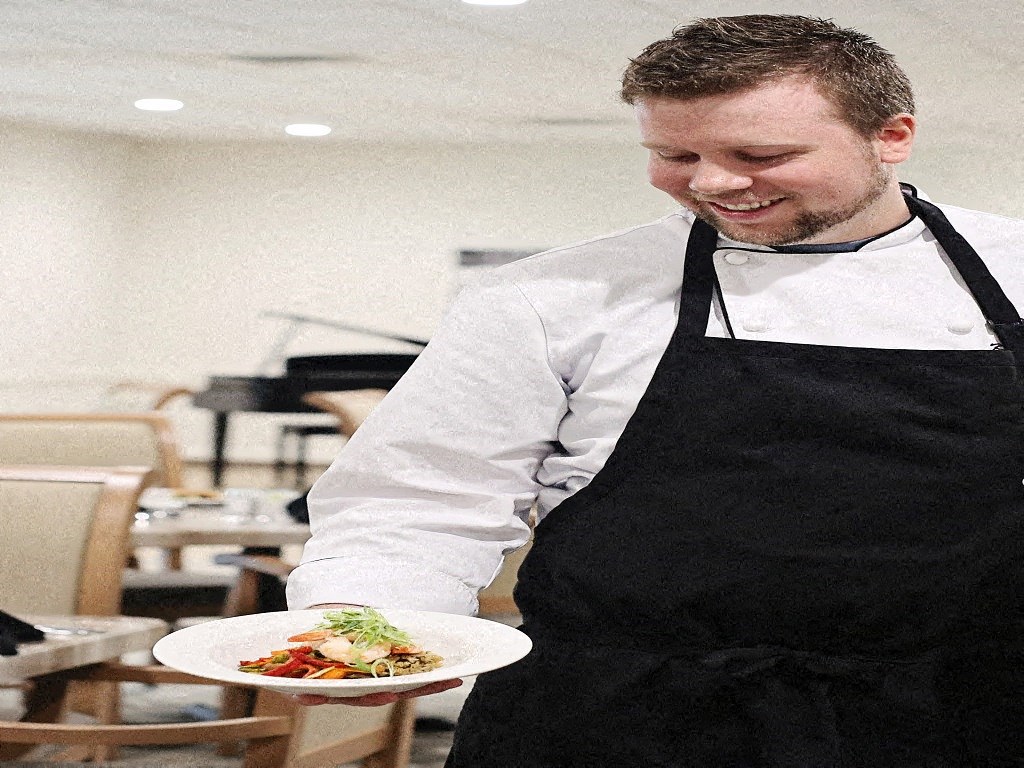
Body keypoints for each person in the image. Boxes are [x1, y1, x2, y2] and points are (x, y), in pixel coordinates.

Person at [286, 14, 1024, 766]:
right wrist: (368, 627)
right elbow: (420, 497)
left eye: (760, 155)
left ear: (891, 137)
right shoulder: (549, 296)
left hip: (964, 714)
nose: (712, 182)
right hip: (617, 718)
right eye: (676, 155)